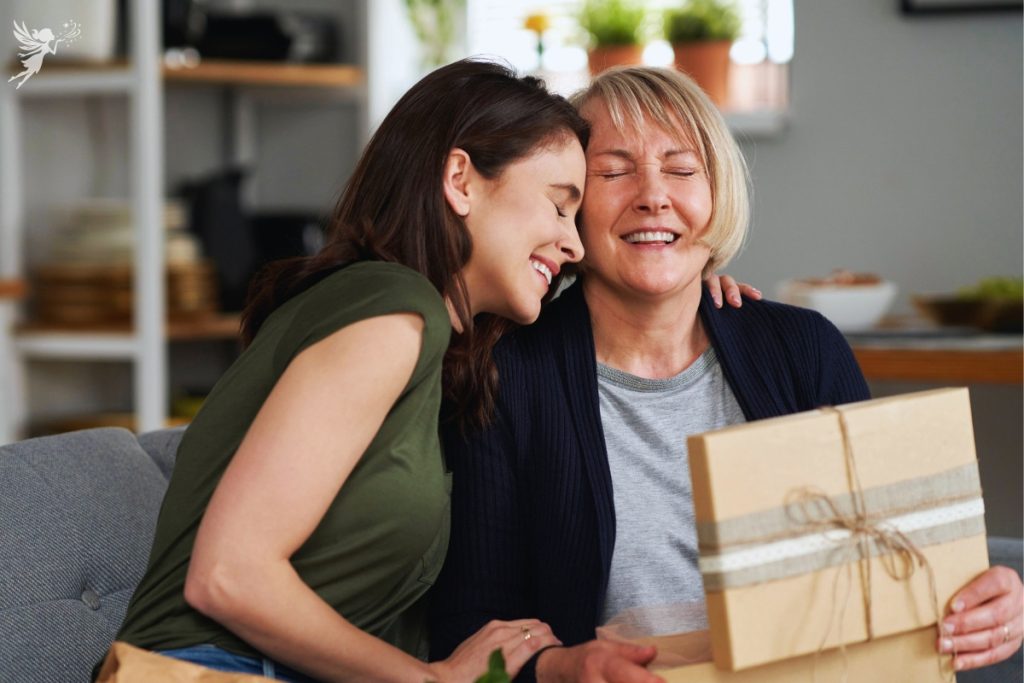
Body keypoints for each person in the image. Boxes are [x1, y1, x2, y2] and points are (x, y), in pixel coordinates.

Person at [428, 66, 1023, 682]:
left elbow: (895, 562)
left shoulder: (804, 349)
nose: (653, 196)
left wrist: (981, 599)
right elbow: (468, 627)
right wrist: (560, 666)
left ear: (717, 195)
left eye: (682, 170)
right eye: (613, 171)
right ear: (571, 205)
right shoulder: (504, 375)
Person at [107, 58, 588, 683]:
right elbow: (228, 575)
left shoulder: (426, 343)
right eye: (559, 206)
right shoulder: (395, 309)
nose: (575, 244)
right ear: (461, 180)